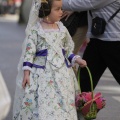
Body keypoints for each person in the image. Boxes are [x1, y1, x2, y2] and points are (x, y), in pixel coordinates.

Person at [13, 0, 87, 119]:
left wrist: (77, 59)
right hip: (42, 74)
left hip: (62, 75)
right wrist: (26, 73)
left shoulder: (62, 29)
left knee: (62, 100)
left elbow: (67, 51)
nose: (61, 12)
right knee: (43, 99)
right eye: (57, 9)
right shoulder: (36, 30)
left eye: (61, 9)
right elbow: (29, 52)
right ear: (46, 11)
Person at [62, 0, 120, 92]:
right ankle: (80, 104)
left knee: (84, 81)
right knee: (84, 82)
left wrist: (56, 3)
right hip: (97, 40)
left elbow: (88, 2)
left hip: (114, 41)